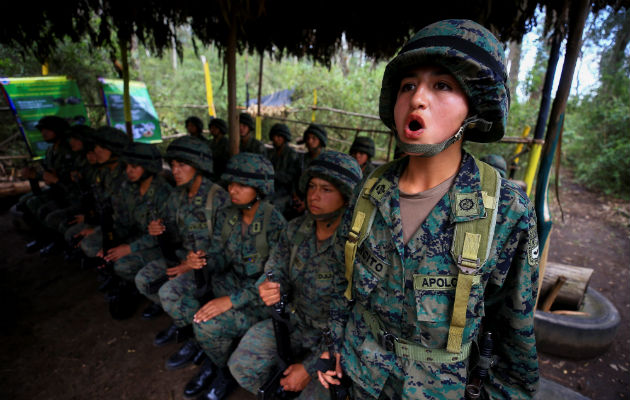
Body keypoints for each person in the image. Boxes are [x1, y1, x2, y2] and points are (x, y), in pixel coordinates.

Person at [318, 19, 540, 399]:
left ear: (476, 103)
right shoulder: (369, 191)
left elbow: (513, 329)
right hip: (360, 371)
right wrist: (331, 345)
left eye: (442, 85)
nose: (418, 99)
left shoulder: (505, 211)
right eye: (408, 85)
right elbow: (344, 283)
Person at [228, 150, 362, 399]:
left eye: (326, 189)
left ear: (346, 196)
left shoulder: (358, 245)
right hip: (294, 321)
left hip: (337, 340)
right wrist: (272, 283)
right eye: (312, 186)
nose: (314, 195)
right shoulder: (296, 228)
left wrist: (311, 367)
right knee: (241, 364)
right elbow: (275, 266)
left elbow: (360, 316)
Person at [184, 153, 287, 400]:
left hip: (260, 298)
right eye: (230, 183)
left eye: (241, 185)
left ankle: (225, 372)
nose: (232, 189)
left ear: (260, 188)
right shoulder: (229, 214)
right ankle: (216, 358)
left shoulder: (276, 224)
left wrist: (231, 301)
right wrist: (202, 260)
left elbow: (272, 281)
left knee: (207, 325)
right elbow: (221, 255)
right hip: (235, 281)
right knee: (185, 295)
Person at [136, 137, 230, 349]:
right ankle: (183, 320)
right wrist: (157, 228)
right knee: (144, 279)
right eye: (173, 165)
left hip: (209, 265)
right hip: (183, 256)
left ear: (198, 167)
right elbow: (168, 226)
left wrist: (190, 265)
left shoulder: (218, 199)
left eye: (182, 165)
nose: (175, 171)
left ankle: (197, 334)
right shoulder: (177, 195)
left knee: (169, 292)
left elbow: (226, 247)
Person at [266, 123, 300, 216]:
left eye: (279, 136)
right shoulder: (271, 153)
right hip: (272, 189)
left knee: (274, 207)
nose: (276, 139)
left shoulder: (291, 155)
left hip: (287, 192)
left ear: (284, 138)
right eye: (274, 136)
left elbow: (290, 178)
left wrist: (273, 174)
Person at [208, 117, 229, 182]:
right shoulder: (210, 143)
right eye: (211, 128)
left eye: (215, 128)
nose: (212, 130)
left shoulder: (227, 143)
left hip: (222, 174)